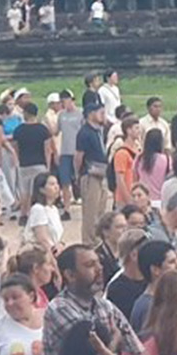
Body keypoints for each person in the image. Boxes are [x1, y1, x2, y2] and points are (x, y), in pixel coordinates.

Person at [75, 101, 111, 246]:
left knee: (100, 208)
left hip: (101, 173)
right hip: (90, 174)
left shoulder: (98, 130)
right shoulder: (84, 132)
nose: (103, 115)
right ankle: (89, 241)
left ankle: (98, 238)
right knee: (90, 211)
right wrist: (78, 174)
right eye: (99, 112)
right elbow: (78, 155)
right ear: (91, 114)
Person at [14, 102, 55, 224]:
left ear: (25, 113)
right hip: (39, 163)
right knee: (39, 191)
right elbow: (47, 149)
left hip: (24, 164)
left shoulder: (19, 130)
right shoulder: (43, 130)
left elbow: (16, 148)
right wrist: (48, 165)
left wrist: (18, 160)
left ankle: (23, 215)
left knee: (24, 191)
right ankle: (41, 215)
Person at [22, 172, 64, 251]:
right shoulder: (38, 209)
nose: (56, 187)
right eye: (52, 184)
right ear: (42, 189)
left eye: (57, 183)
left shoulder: (54, 209)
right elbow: (43, 239)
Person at [134, 129, 171, 208]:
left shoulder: (139, 158)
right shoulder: (167, 159)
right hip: (160, 200)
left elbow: (135, 178)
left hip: (142, 199)